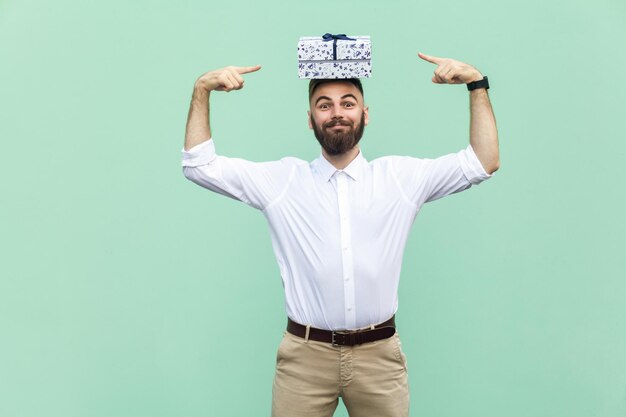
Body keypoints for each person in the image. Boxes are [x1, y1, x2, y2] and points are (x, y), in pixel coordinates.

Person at [181, 52, 499, 417]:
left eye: (348, 103)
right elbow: (199, 167)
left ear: (365, 114)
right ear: (310, 119)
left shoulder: (400, 179)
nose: (336, 113)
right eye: (324, 105)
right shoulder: (282, 182)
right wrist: (201, 90)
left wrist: (476, 84)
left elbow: (483, 161)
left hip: (379, 357)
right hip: (305, 357)